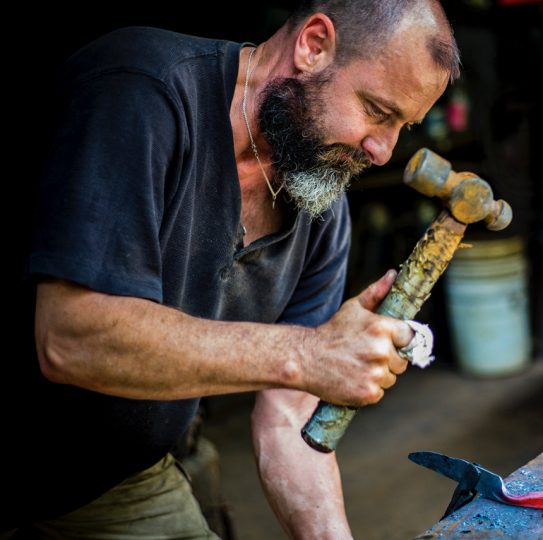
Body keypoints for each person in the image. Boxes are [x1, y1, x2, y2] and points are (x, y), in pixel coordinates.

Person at [2, 1, 460, 538]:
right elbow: (70, 337)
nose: (384, 152)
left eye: (404, 126)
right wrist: (307, 355)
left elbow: (288, 422)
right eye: (377, 110)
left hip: (110, 484)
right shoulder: (142, 90)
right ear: (313, 46)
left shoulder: (319, 202)